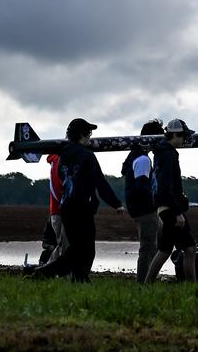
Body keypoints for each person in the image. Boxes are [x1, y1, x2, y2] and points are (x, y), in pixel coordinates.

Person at [52, 117, 125, 282]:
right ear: (82, 135)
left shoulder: (62, 156)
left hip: (66, 207)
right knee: (85, 250)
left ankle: (79, 280)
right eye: (89, 133)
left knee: (77, 248)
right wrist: (116, 203)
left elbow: (60, 177)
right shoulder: (87, 155)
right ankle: (46, 272)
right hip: (81, 208)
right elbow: (100, 181)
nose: (90, 137)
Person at [144, 119, 198, 283]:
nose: (184, 140)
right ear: (175, 134)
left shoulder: (161, 152)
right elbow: (166, 186)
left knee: (165, 250)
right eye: (183, 136)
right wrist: (177, 213)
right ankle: (193, 287)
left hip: (164, 207)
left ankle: (147, 285)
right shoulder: (168, 154)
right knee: (190, 249)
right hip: (170, 208)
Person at [122, 119, 163, 282]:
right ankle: (144, 282)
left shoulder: (136, 156)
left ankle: (148, 278)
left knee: (156, 243)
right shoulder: (143, 160)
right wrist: (154, 203)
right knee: (148, 248)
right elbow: (141, 186)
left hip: (141, 209)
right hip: (145, 210)